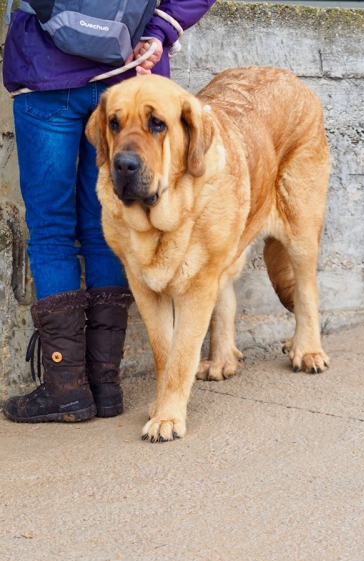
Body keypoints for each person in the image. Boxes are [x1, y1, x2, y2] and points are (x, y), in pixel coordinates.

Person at [2, 0, 216, 423]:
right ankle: (105, 384)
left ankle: (66, 391)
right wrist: (160, 30)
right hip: (130, 74)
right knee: (110, 224)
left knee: (49, 230)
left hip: (45, 70)